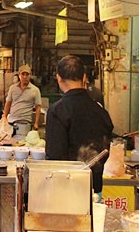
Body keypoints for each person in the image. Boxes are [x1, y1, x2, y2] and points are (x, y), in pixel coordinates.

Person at [45, 55, 113, 196]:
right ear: (84, 77)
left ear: (59, 78)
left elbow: (54, 155)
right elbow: (105, 152)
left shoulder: (57, 110)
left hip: (65, 189)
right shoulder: (101, 111)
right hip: (94, 188)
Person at [2, 64, 42, 136]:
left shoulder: (35, 90)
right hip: (11, 121)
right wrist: (4, 116)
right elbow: (8, 103)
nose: (25, 77)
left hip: (25, 122)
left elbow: (38, 107)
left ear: (30, 75)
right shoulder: (12, 88)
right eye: (23, 74)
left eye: (27, 74)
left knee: (22, 142)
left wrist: (36, 123)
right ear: (19, 75)